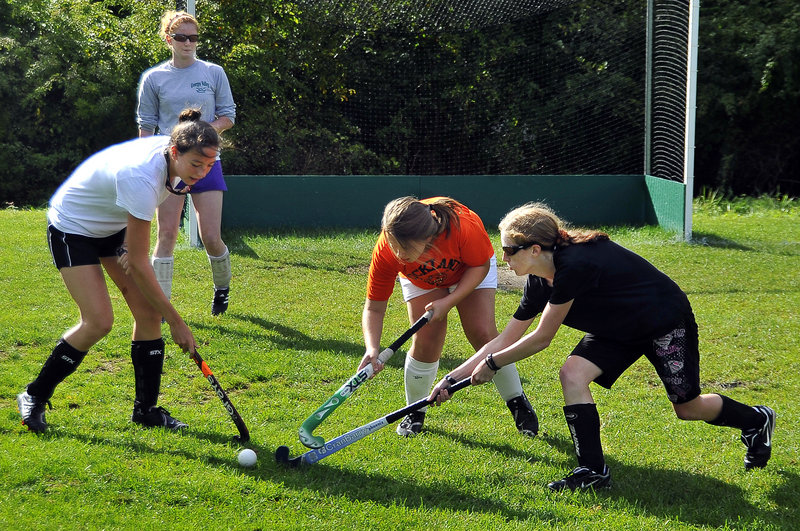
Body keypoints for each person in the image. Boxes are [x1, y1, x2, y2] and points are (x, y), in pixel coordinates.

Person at [430, 202, 776, 491]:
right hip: (614, 328)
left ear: (534, 249)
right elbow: (505, 338)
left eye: (508, 250)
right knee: (572, 374)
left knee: (687, 407)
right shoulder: (538, 280)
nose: (503, 258)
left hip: (661, 320)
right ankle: (593, 471)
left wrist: (491, 365)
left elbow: (541, 338)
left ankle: (756, 419)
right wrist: (452, 377)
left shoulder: (575, 266)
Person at [17, 109, 220, 433]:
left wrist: (129, 251)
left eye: (209, 165)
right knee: (99, 321)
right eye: (196, 164)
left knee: (148, 315)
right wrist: (178, 323)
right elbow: (141, 261)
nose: (202, 172)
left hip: (112, 227)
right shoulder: (141, 175)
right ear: (174, 152)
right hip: (74, 227)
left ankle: (146, 411)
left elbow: (137, 243)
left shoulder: (176, 160)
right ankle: (33, 395)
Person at [359, 196, 539, 438]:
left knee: (483, 333)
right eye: (394, 247)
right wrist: (372, 348)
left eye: (404, 249)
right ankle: (415, 410)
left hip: (472, 268)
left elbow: (480, 267)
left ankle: (516, 400)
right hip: (422, 281)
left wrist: (448, 301)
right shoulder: (388, 250)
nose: (398, 255)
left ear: (427, 239)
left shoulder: (464, 226)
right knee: (426, 340)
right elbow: (374, 307)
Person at [136, 10, 236, 316]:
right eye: (181, 37)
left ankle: (222, 288)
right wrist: (145, 161)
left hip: (207, 162)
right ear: (169, 39)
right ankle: (161, 306)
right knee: (165, 235)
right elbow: (146, 124)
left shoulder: (213, 72)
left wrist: (202, 135)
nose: (188, 43)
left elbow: (228, 116)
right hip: (169, 164)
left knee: (211, 236)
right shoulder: (154, 78)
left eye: (193, 37)